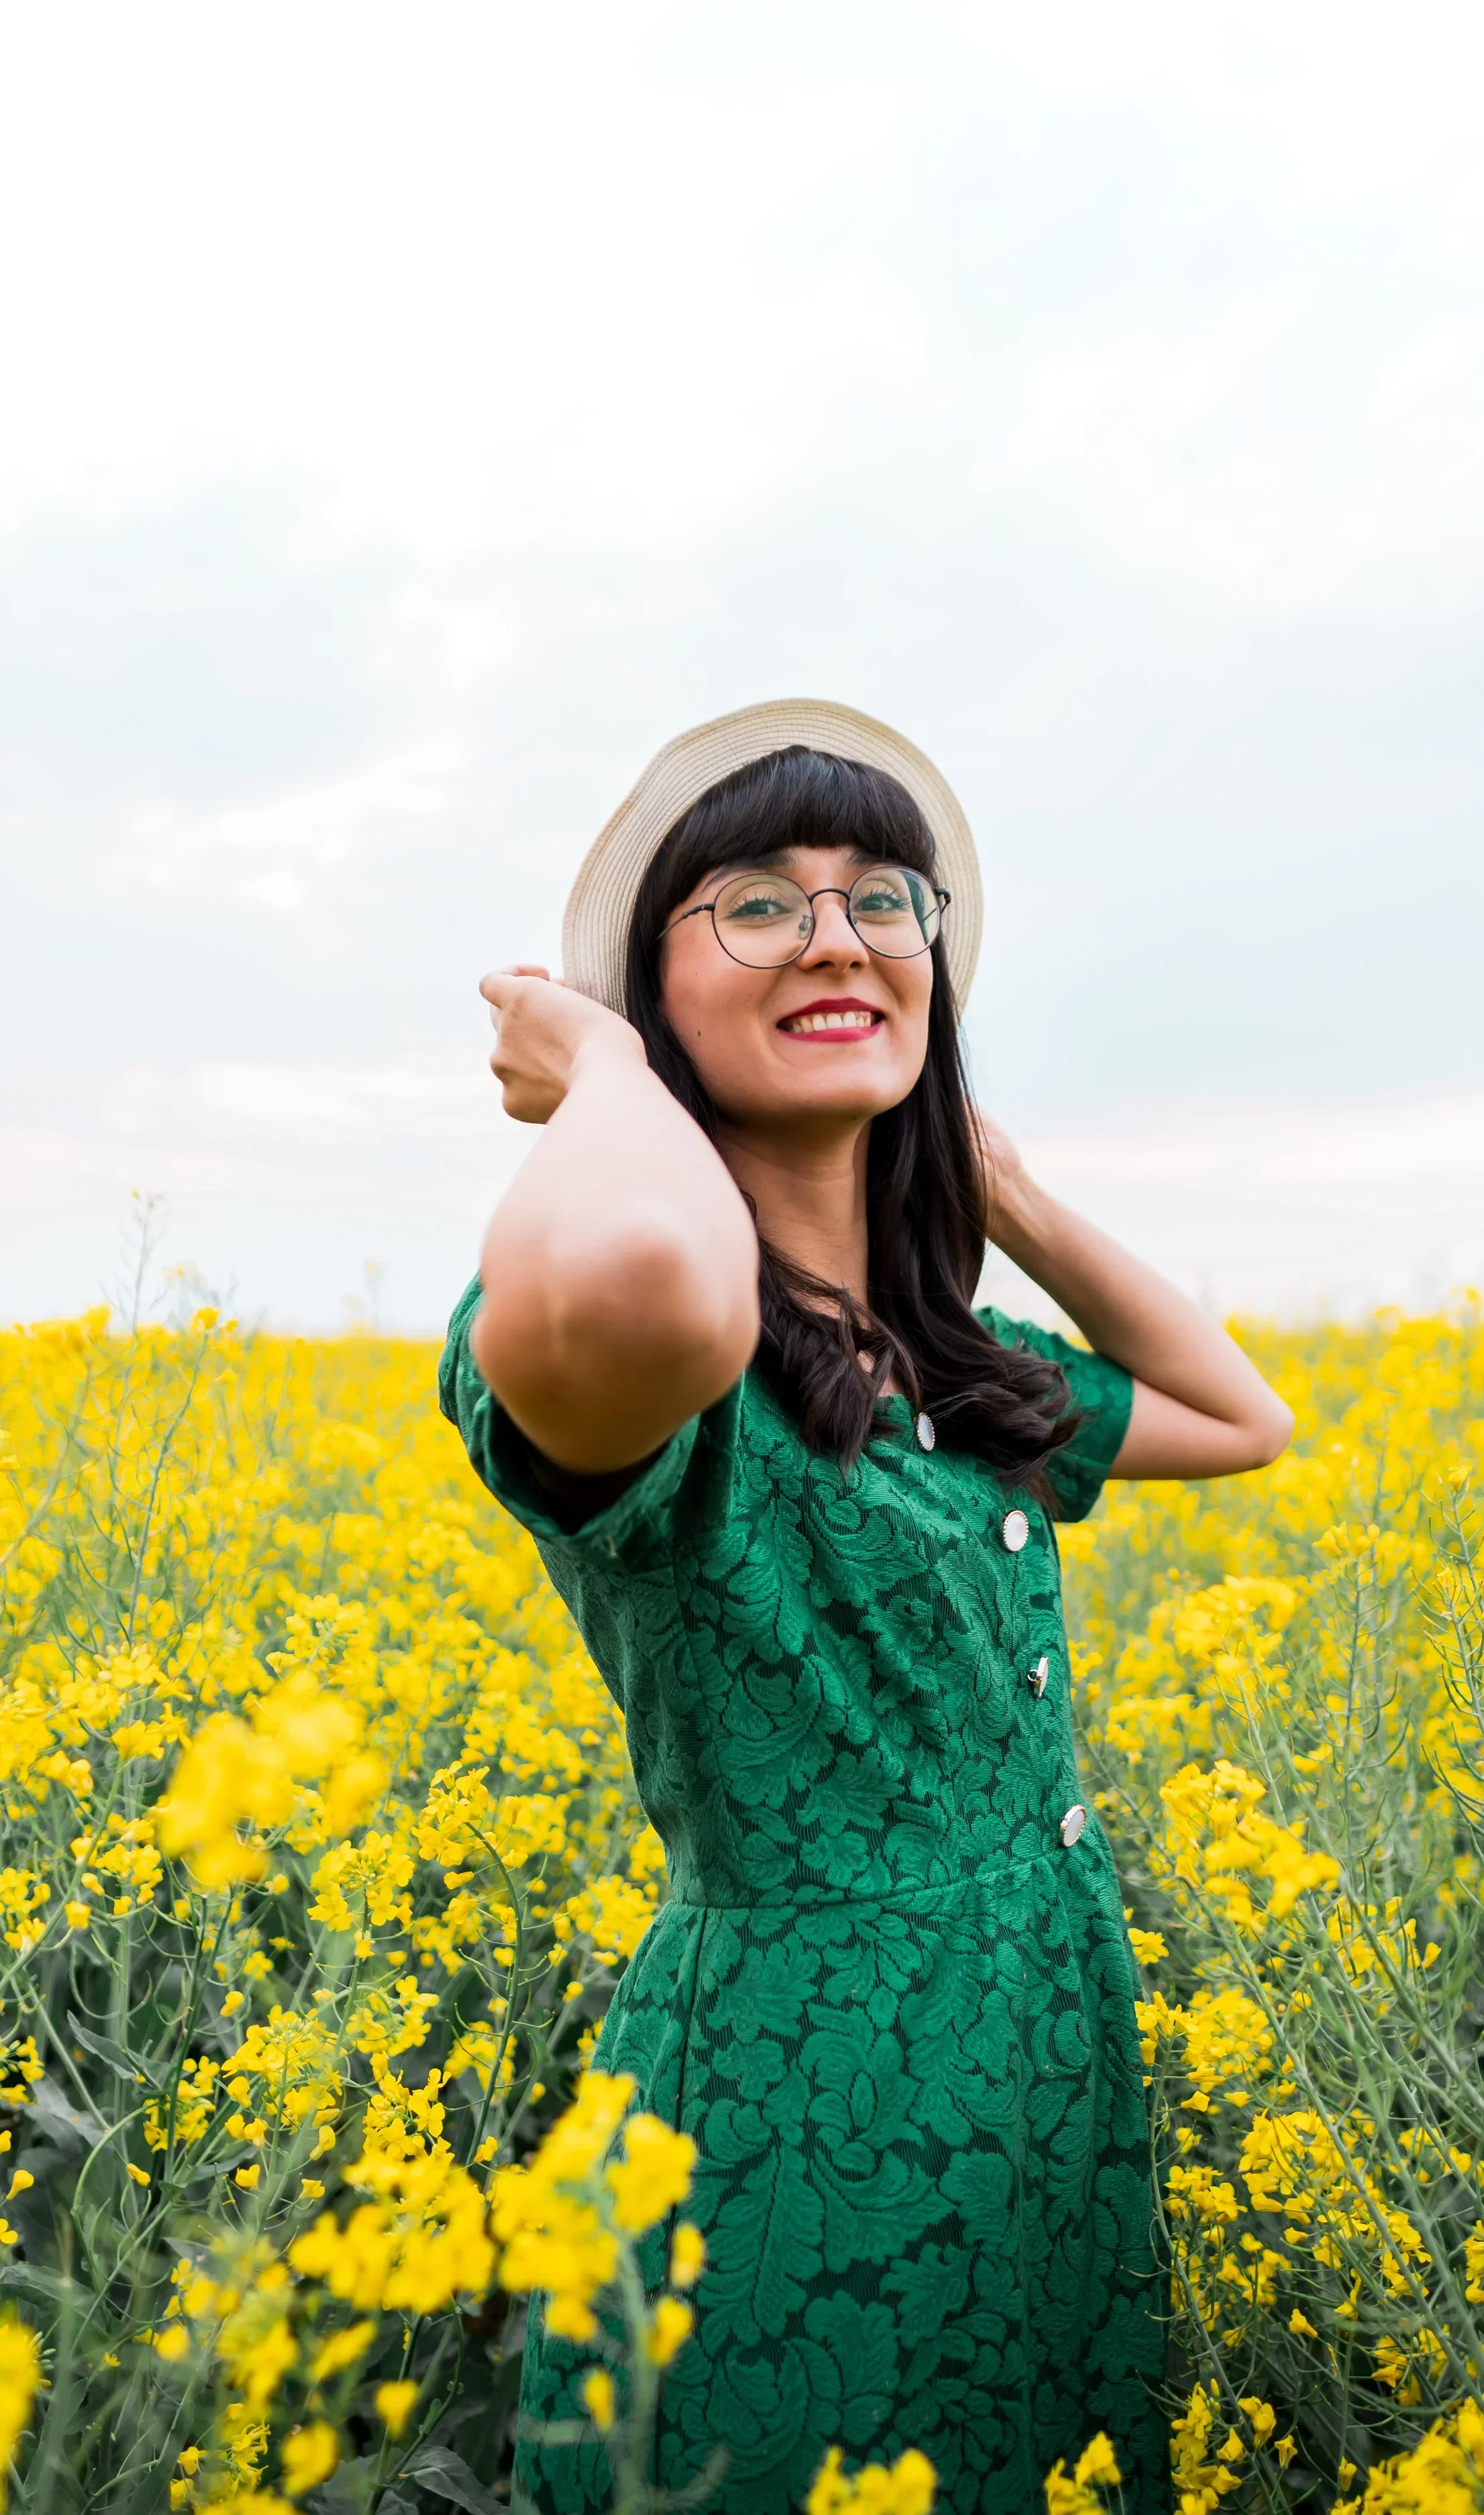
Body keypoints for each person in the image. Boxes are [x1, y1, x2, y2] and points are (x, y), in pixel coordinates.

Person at [439, 701, 1293, 2515]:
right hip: (789, 2142)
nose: (835, 934)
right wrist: (601, 1071)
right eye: (754, 903)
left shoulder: (944, 1365)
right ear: (654, 1000)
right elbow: (644, 1265)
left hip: (1044, 2094)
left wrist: (991, 1179)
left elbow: (1242, 1416)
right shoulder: (682, 1355)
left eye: (881, 901)